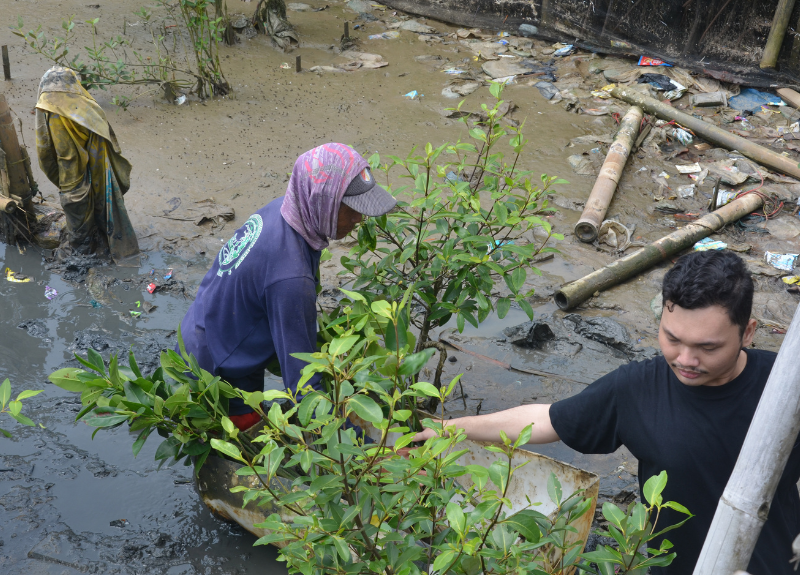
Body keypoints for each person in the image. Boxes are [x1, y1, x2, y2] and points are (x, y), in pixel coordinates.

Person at [415, 250, 800, 574]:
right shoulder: (638, 389)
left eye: (707, 347)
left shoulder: (786, 390)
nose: (685, 360)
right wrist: (452, 428)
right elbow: (549, 420)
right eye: (672, 338)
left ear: (748, 332)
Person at [177, 143, 397, 430]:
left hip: (207, 324)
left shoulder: (284, 208)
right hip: (216, 369)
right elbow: (303, 386)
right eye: (351, 208)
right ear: (322, 201)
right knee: (247, 448)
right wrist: (367, 448)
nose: (359, 219)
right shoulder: (291, 278)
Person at [34, 66, 139, 263]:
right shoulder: (89, 108)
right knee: (97, 202)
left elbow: (45, 153)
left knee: (76, 212)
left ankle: (84, 253)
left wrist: (59, 179)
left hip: (69, 178)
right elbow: (107, 143)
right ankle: (103, 241)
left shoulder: (46, 107)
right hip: (98, 171)